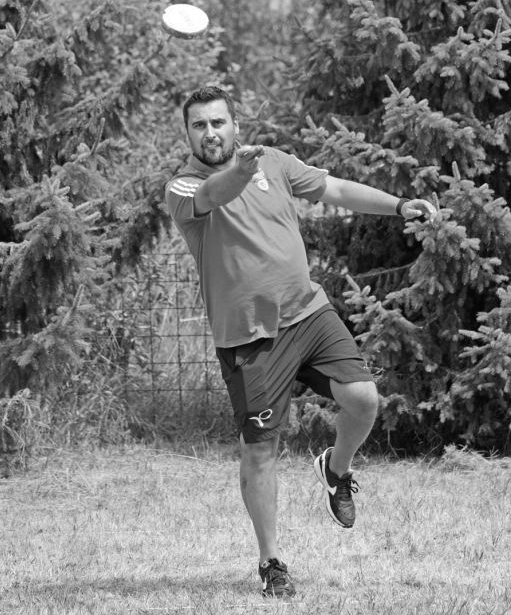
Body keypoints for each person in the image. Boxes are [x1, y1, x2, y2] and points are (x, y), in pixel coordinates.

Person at [164, 86, 436, 597]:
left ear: (235, 124)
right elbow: (213, 196)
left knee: (363, 399)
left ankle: (335, 471)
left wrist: (400, 206)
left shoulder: (274, 161)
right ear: (188, 134)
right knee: (260, 451)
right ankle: (271, 563)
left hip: (308, 313)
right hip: (249, 340)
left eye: (218, 122)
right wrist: (240, 173)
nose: (210, 133)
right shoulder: (181, 187)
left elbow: (334, 190)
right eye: (199, 126)